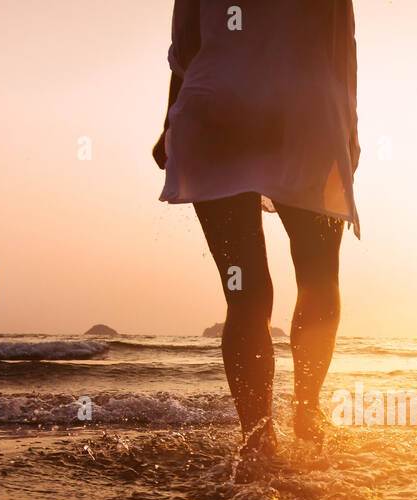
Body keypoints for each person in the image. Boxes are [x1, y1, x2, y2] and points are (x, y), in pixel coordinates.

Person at [153, 0, 360, 472]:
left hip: (216, 107)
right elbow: (341, 42)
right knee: (318, 279)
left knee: (244, 293)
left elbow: (185, 47)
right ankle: (307, 411)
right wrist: (348, 129)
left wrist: (171, 120)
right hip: (307, 111)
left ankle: (256, 438)